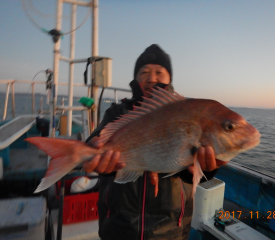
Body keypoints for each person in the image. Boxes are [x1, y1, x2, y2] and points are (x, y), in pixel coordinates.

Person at [83, 44, 227, 240]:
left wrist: (203, 170)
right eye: (144, 72)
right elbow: (96, 141)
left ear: (169, 79)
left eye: (159, 72)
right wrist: (96, 156)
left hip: (169, 229)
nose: (152, 78)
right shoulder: (117, 112)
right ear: (136, 78)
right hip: (119, 226)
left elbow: (193, 174)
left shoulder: (186, 112)